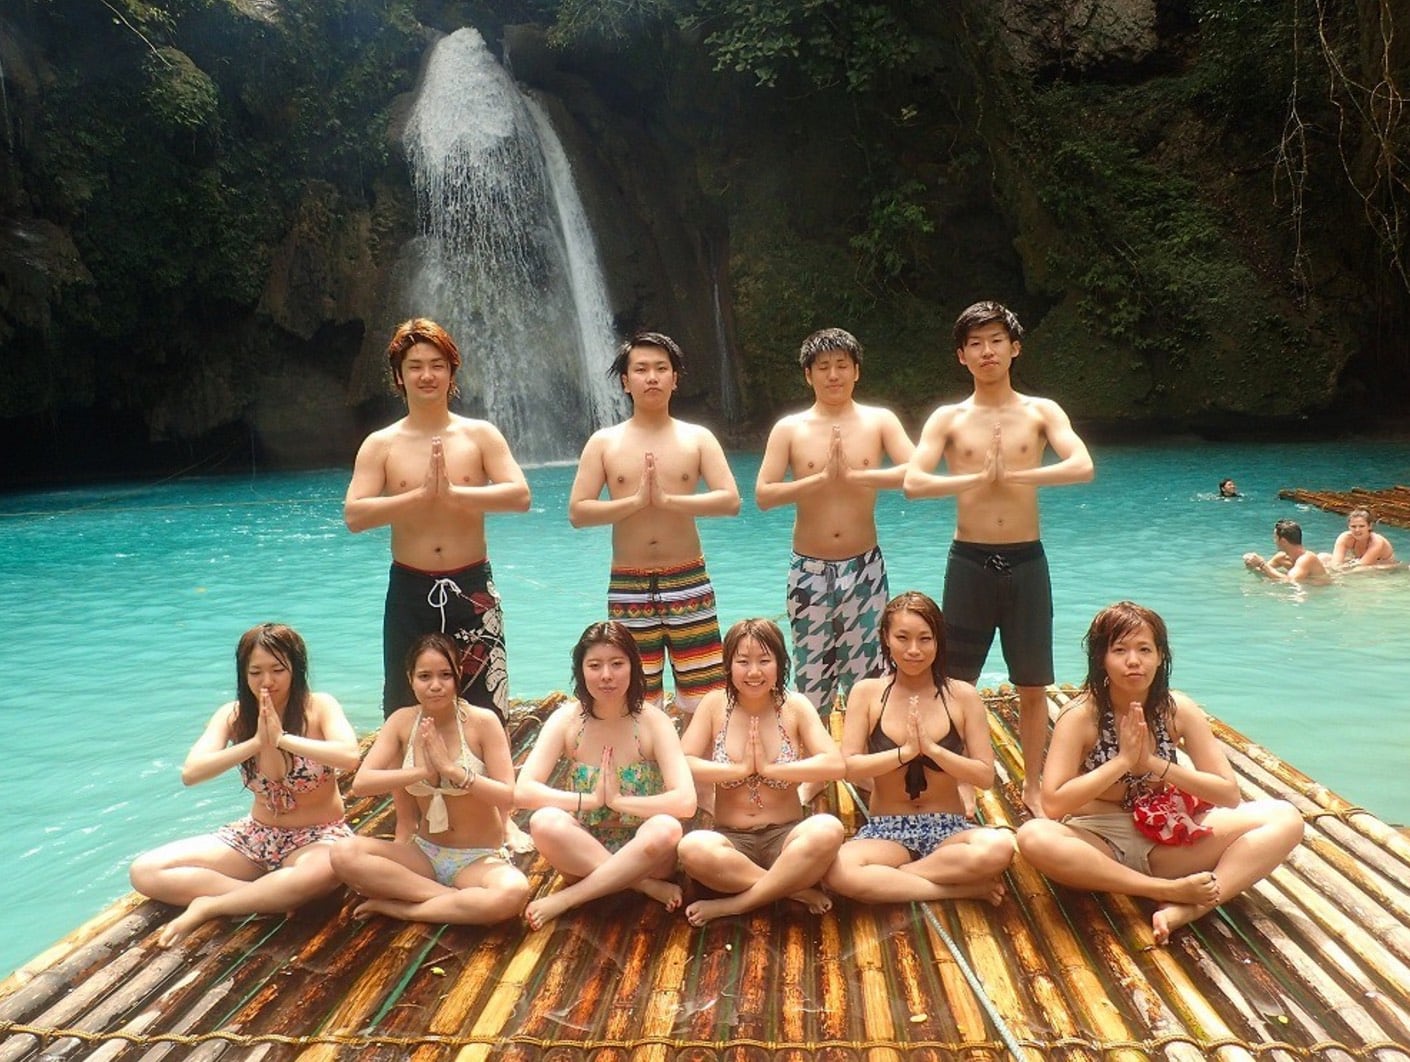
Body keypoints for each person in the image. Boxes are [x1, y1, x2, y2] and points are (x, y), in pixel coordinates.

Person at [1015, 602, 1303, 944]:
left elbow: (1228, 794)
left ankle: (1193, 907)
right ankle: (1165, 891)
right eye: (1119, 650)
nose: (1133, 661)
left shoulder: (1177, 709)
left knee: (1285, 817)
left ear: (1160, 655)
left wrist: (1155, 764)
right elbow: (1053, 804)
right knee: (1033, 836)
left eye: (1144, 649)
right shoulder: (1080, 716)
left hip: (1166, 839)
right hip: (1098, 842)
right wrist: (1122, 761)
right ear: (1101, 658)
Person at [904, 301, 1094, 817]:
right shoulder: (949, 418)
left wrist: (1016, 476)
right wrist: (976, 478)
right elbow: (914, 483)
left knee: (1032, 683)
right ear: (961, 356)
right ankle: (962, 782)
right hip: (969, 559)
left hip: (1027, 560)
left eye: (995, 341)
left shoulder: (1041, 412)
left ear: (1015, 348)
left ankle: (1033, 784)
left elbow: (1081, 465)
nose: (986, 351)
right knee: (955, 681)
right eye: (975, 343)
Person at [344, 318, 530, 843]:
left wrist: (455, 493)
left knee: (486, 696)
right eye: (415, 367)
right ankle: (408, 820)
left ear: (452, 373)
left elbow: (519, 495)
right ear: (398, 377)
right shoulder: (381, 444)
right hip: (410, 586)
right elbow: (355, 515)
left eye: (437, 365)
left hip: (471, 583)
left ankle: (502, 819)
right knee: (405, 702)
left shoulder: (479, 435)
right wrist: (417, 496)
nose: (426, 375)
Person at [130, 624, 361, 947]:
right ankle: (268, 896)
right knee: (145, 871)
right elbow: (191, 772)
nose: (267, 681)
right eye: (255, 672)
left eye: (278, 670)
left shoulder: (320, 706)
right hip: (256, 836)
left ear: (296, 669)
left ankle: (212, 905)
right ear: (243, 674)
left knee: (326, 871)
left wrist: (282, 739)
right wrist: (255, 743)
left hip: (318, 837)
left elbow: (349, 756)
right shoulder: (233, 714)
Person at [568, 332, 741, 713]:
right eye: (641, 369)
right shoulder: (604, 442)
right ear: (625, 382)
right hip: (628, 583)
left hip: (688, 578)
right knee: (633, 695)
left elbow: (730, 501)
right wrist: (633, 503)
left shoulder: (697, 438)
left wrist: (667, 501)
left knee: (704, 695)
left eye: (661, 369)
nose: (652, 378)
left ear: (675, 379)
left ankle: (699, 753)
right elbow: (578, 512)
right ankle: (644, 753)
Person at [755, 328, 915, 715]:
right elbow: (764, 494)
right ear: (808, 374)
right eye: (823, 366)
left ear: (856, 371)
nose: (833, 375)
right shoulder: (790, 428)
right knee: (811, 678)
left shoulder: (879, 421)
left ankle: (866, 752)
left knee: (869, 675)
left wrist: (858, 476)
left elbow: (916, 474)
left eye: (842, 365)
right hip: (809, 570)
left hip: (864, 567)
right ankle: (815, 750)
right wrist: (819, 480)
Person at [824, 592, 1013, 905]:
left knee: (999, 848)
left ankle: (895, 879)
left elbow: (984, 776)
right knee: (837, 871)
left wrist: (934, 750)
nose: (914, 650)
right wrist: (904, 753)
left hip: (949, 828)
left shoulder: (962, 696)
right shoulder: (867, 693)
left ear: (938, 642)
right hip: (887, 830)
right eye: (903, 638)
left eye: (925, 639)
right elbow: (850, 766)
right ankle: (958, 889)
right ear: (886, 638)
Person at [329, 634, 529, 924]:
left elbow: (508, 796)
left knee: (513, 892)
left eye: (445, 675)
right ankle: (451, 900)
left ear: (458, 674)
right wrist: (421, 772)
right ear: (410, 678)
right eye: (425, 676)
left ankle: (403, 909)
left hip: (477, 859)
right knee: (343, 853)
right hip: (424, 854)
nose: (435, 685)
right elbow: (362, 783)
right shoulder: (401, 721)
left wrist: (452, 771)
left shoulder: (482, 722)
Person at [515, 621, 697, 929]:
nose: (606, 675)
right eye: (595, 665)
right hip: (582, 849)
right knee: (543, 822)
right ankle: (640, 886)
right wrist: (589, 800)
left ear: (633, 667)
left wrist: (619, 802)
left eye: (617, 664)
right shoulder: (567, 720)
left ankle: (569, 898)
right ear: (581, 670)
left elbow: (686, 802)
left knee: (666, 828)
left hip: (645, 853)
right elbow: (523, 791)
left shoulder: (653, 722)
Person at [677, 618, 846, 926]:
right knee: (692, 848)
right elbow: (682, 761)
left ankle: (737, 904)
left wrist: (771, 768)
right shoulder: (714, 705)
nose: (754, 672)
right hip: (731, 841)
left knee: (829, 829)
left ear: (780, 663)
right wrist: (738, 770)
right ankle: (792, 889)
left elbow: (834, 764)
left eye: (764, 661)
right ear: (728, 666)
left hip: (786, 837)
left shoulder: (795, 706)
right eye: (743, 662)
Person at [1244, 519, 1330, 585]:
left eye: (1275, 538)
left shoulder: (1307, 558)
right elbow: (1263, 571)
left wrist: (1262, 564)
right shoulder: (1281, 558)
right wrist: (1252, 564)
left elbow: (1291, 581)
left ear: (1283, 541)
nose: (1274, 541)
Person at [1323, 508, 1398, 569]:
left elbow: (1361, 567)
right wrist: (1336, 570)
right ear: (1348, 526)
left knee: (1365, 569)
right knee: (1323, 557)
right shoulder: (1345, 538)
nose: (1357, 530)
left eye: (1361, 526)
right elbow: (1336, 563)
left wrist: (1337, 575)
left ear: (1370, 526)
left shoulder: (1377, 541)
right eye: (1353, 526)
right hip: (1361, 564)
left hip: (1384, 570)